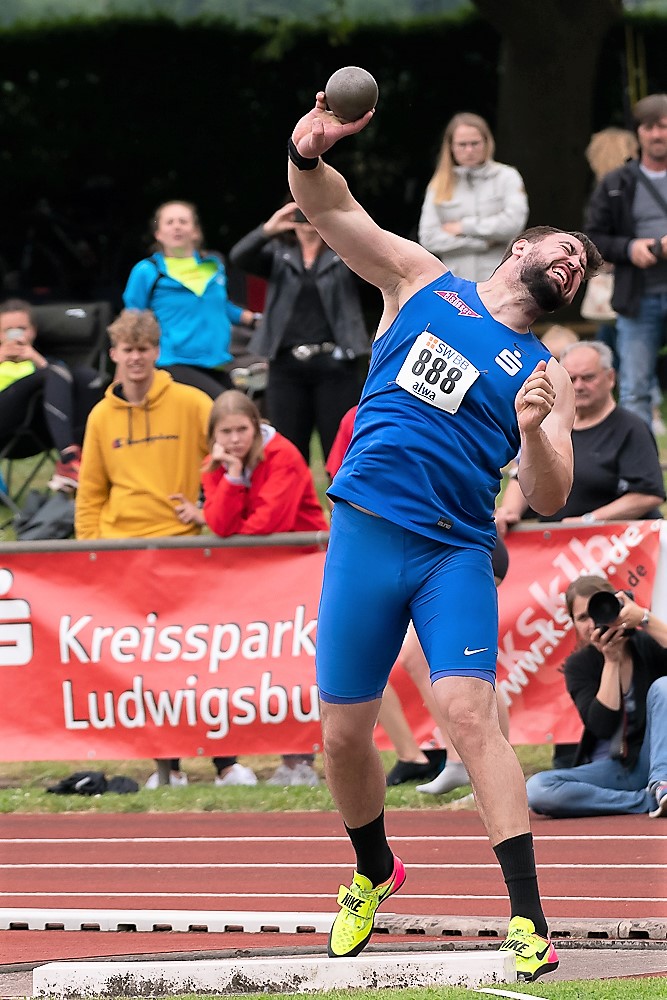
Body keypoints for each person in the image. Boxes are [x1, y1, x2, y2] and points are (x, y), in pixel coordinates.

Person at [287, 90, 602, 981]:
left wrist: (539, 427)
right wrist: (307, 152)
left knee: (467, 714)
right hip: (365, 534)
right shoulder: (421, 281)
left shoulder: (543, 367)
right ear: (518, 249)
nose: (571, 261)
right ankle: (372, 872)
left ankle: (530, 922)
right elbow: (332, 210)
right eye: (562, 246)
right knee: (342, 737)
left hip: (451, 550)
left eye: (582, 263)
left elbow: (548, 496)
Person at [74, 308, 217, 789]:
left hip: (181, 551)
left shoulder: (193, 402)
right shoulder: (99, 416)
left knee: (197, 664)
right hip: (120, 555)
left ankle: (223, 762)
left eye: (144, 349)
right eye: (128, 350)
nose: (136, 359)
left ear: (157, 352)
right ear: (114, 354)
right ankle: (165, 769)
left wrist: (207, 508)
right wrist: (89, 554)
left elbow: (230, 453)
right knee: (140, 671)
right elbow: (90, 492)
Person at [174, 389, 328, 786]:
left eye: (242, 429)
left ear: (256, 427)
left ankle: (299, 761)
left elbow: (267, 526)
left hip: (296, 570)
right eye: (225, 432)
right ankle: (263, 756)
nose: (234, 439)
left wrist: (231, 494)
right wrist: (232, 475)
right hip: (252, 577)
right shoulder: (222, 463)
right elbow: (224, 525)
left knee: (295, 665)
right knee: (254, 667)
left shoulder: (284, 456)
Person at [229, 200, 370, 464]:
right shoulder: (278, 254)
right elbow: (239, 257)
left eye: (313, 208)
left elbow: (375, 261)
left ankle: (339, 507)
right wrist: (269, 228)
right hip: (286, 364)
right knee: (288, 454)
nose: (307, 220)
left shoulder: (345, 254)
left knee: (342, 452)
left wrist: (341, 226)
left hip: (336, 364)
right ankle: (294, 506)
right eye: (301, 211)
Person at [526, 575, 667, 819]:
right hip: (618, 768)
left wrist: (644, 617)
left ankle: (661, 785)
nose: (593, 623)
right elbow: (602, 726)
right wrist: (611, 661)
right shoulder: (579, 665)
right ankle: (646, 800)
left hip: (656, 757)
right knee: (537, 789)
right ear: (573, 625)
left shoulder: (645, 644)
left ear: (618, 608)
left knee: (664, 687)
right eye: (582, 617)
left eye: (599, 609)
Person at [494, 340, 665, 535]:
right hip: (554, 546)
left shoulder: (631, 428)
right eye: (571, 378)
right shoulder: (545, 423)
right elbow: (524, 472)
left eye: (588, 377)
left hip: (612, 547)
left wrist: (590, 520)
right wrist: (509, 511)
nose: (579, 385)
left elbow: (648, 494)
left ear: (610, 378)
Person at [585, 94, 667, 428]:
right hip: (637, 296)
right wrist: (630, 247)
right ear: (639, 133)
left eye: (664, 126)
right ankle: (641, 474)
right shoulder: (617, 182)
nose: (658, 134)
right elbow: (594, 238)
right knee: (634, 390)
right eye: (650, 127)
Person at [123, 200, 257, 399]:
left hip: (217, 360)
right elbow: (132, 318)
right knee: (224, 409)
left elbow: (219, 306)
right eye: (169, 222)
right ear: (158, 233)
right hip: (172, 361)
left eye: (183, 221)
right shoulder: (147, 270)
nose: (177, 226)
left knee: (237, 415)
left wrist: (252, 318)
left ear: (195, 232)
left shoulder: (213, 266)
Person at [0, 298, 104, 491]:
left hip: (36, 431)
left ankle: (82, 459)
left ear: (33, 331)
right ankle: (69, 458)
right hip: (3, 426)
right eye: (8, 330)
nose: (15, 335)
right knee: (52, 373)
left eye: (21, 328)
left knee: (83, 376)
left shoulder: (43, 362)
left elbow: (63, 380)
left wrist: (36, 359)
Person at [418, 112, 529, 281]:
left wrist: (463, 227)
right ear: (451, 147)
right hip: (455, 281)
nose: (469, 150)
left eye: (475, 143)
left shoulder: (507, 176)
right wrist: (483, 243)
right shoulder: (439, 183)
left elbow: (513, 224)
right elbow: (428, 238)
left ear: (487, 143)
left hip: (498, 278)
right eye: (462, 144)